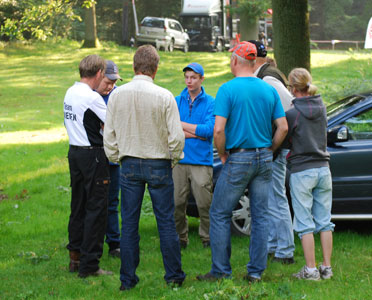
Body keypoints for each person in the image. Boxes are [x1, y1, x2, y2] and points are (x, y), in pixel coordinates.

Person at [197, 41, 288, 282]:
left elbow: (218, 130)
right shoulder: (268, 89)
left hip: (239, 156)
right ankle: (256, 272)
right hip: (264, 158)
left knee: (218, 213)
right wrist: (270, 148)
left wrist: (223, 153)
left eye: (230, 59)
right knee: (260, 215)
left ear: (237, 61)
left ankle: (220, 271)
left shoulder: (228, 89)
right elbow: (283, 127)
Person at [104, 45, 186, 291]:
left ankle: (127, 280)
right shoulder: (164, 96)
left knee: (129, 224)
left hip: (129, 161)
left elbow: (109, 134)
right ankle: (173, 276)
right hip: (158, 162)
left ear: (133, 66)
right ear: (156, 68)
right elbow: (177, 136)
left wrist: (117, 156)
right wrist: (173, 158)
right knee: (166, 223)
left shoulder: (118, 95)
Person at [63, 54, 112, 278]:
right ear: (100, 73)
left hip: (74, 152)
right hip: (92, 154)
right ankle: (90, 264)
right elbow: (112, 122)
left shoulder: (71, 92)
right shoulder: (91, 97)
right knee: (96, 209)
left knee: (78, 205)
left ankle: (75, 257)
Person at [249, 40, 295, 264]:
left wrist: (274, 146)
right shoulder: (266, 75)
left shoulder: (268, 79)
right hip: (273, 148)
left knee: (277, 197)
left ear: (253, 58)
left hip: (276, 150)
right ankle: (275, 245)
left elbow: (291, 108)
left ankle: (285, 250)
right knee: (271, 199)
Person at [286, 68, 334, 281]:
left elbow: (285, 138)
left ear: (293, 88)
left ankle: (311, 270)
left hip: (302, 170)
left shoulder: (293, 114)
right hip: (324, 168)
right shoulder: (322, 107)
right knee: (325, 221)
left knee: (304, 222)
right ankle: (327, 268)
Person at [173, 63, 215, 249]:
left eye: (193, 77)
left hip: (201, 161)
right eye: (187, 77)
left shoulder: (210, 102)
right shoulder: (176, 100)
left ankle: (207, 238)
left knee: (204, 204)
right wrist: (196, 133)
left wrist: (181, 125)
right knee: (176, 204)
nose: (189, 81)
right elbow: (170, 129)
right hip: (179, 160)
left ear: (201, 79)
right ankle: (181, 239)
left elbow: (208, 131)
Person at [95, 60, 122, 258]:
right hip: (95, 158)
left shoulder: (119, 95)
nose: (110, 86)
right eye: (107, 81)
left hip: (115, 158)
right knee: (94, 201)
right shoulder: (89, 96)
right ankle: (92, 242)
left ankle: (114, 243)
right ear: (98, 76)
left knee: (112, 201)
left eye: (114, 82)